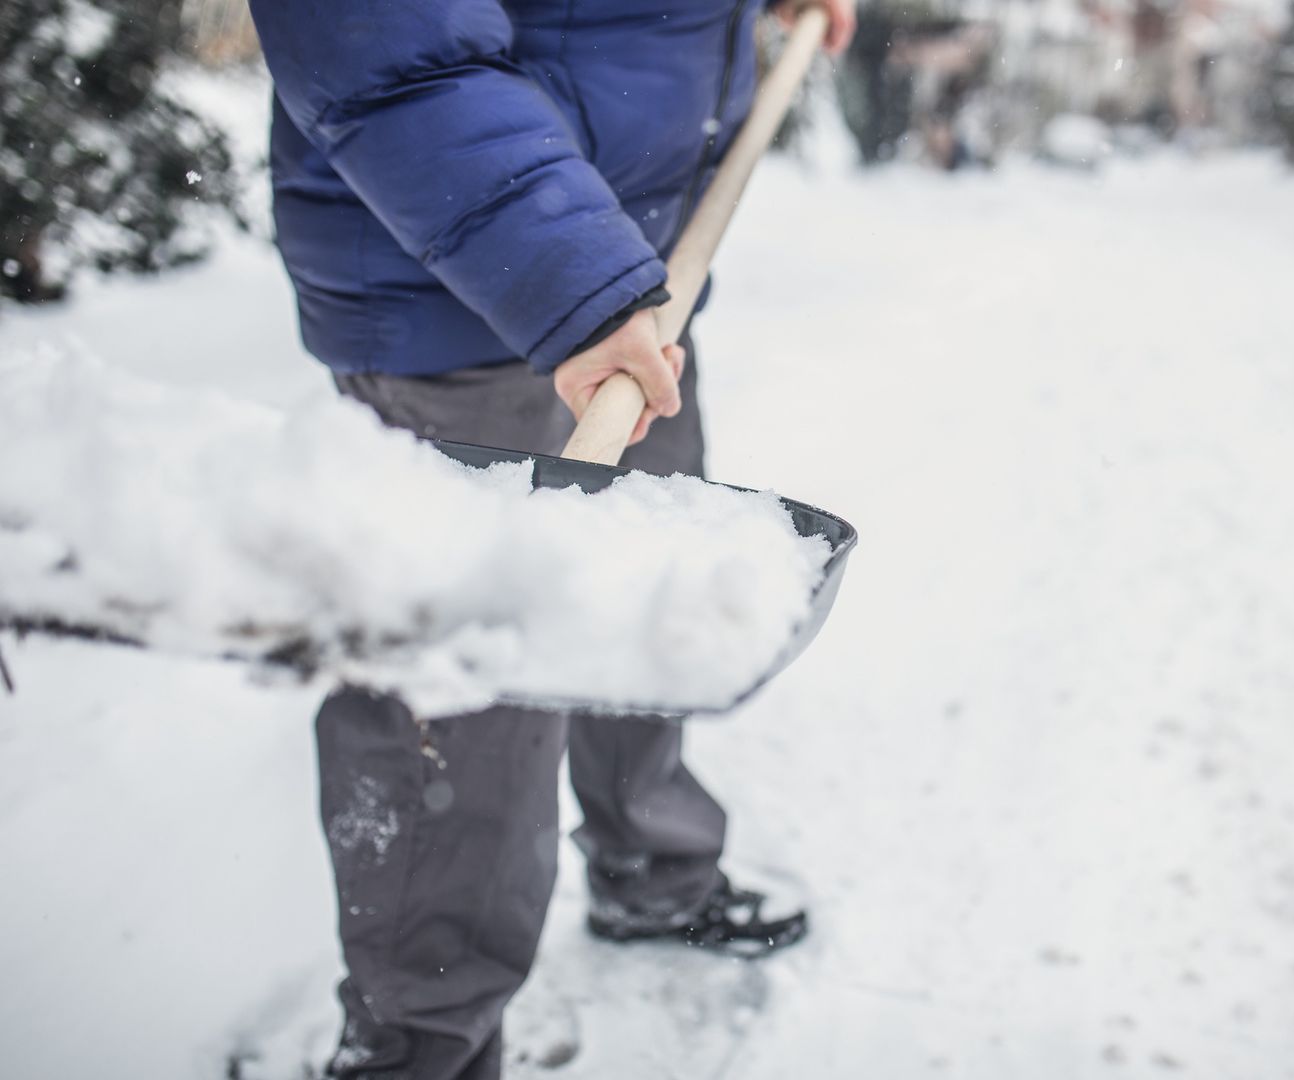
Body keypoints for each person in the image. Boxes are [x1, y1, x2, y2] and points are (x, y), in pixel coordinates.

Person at [243, 1, 857, 1077]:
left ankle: (650, 869)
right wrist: (568, 276)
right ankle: (416, 1045)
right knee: (463, 716)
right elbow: (381, 42)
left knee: (646, 600)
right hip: (471, 300)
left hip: (629, 284)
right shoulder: (543, 281)